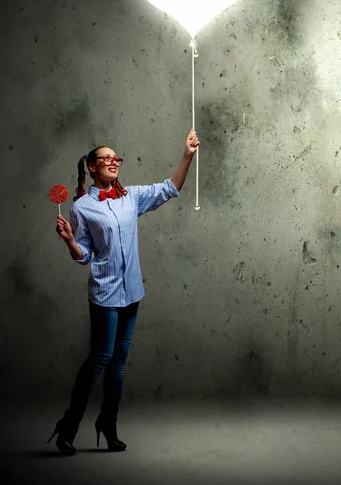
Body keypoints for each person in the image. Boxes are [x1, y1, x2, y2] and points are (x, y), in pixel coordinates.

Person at [48, 129, 199, 454]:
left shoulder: (130, 197)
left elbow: (170, 188)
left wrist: (186, 155)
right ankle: (69, 426)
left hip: (132, 292)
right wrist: (70, 241)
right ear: (91, 167)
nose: (112, 162)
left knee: (119, 362)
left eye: (115, 158)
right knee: (100, 357)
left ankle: (108, 423)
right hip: (104, 294)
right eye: (105, 158)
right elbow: (84, 256)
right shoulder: (82, 208)